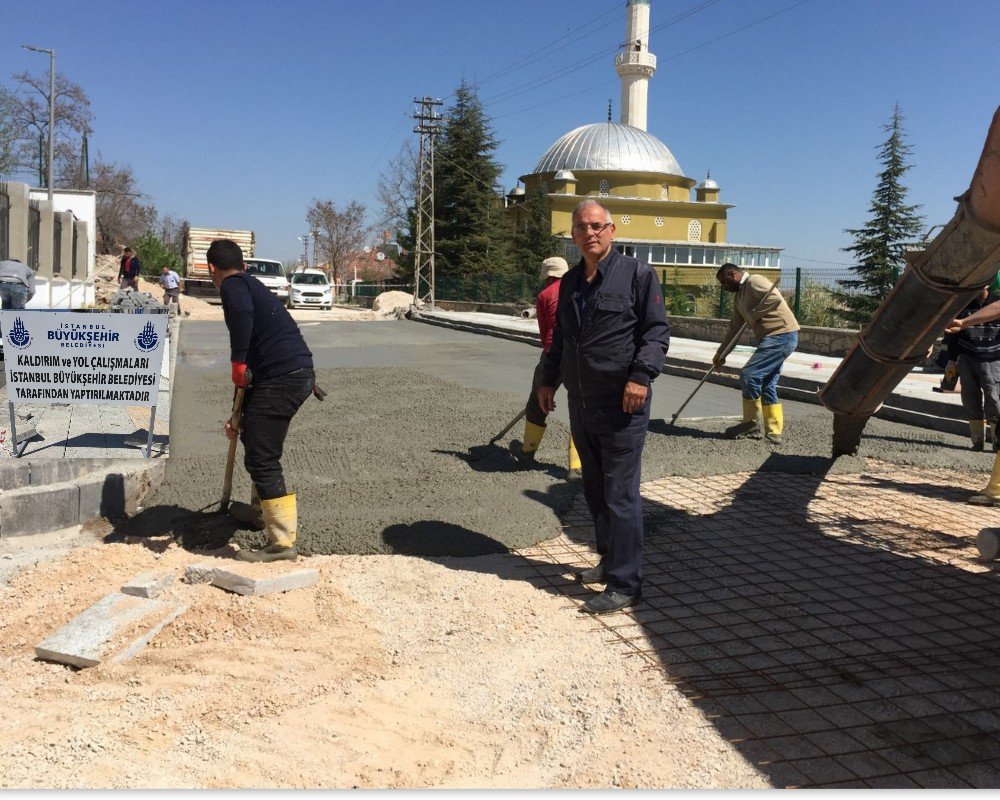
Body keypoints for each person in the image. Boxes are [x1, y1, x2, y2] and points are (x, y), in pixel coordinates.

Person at [538, 200, 670, 615]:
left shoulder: (638, 275)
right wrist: (546, 380)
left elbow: (656, 332)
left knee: (620, 493)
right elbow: (561, 340)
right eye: (581, 227)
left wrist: (640, 376)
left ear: (611, 231)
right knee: (595, 490)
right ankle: (610, 560)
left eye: (597, 226)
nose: (590, 233)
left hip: (621, 404)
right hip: (581, 403)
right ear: (573, 235)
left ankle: (626, 583)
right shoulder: (572, 281)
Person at [208, 238, 316, 561]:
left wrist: (237, 360)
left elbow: (241, 321)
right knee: (253, 438)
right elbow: (250, 375)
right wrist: (235, 415)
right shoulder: (250, 284)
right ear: (243, 263)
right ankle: (260, 514)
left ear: (212, 269)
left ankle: (282, 543)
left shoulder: (233, 286)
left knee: (262, 457)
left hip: (284, 378)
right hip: (287, 373)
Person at [508, 255, 582, 480]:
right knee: (580, 407)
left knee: (537, 401)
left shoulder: (544, 295)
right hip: (578, 356)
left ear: (548, 276)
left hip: (553, 354)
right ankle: (577, 467)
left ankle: (528, 451)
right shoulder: (579, 289)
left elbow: (544, 333)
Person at [712, 263, 799, 444]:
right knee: (767, 382)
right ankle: (774, 431)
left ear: (732, 274)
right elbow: (734, 329)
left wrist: (753, 315)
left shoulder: (754, 281)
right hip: (770, 338)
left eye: (723, 282)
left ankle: (751, 424)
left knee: (749, 375)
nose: (723, 287)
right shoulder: (738, 299)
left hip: (781, 334)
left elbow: (774, 299)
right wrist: (721, 353)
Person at [945, 293, 1000, 504]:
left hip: (992, 357)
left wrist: (965, 322)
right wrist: (965, 322)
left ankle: (996, 491)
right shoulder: (965, 304)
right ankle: (995, 489)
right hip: (969, 354)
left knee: (995, 405)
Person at [942, 286, 1000, 450]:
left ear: (987, 285)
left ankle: (997, 441)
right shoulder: (962, 305)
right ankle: (977, 441)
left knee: (994, 400)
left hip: (993, 359)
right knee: (970, 399)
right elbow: (952, 334)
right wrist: (951, 360)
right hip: (967, 357)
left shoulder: (996, 303)